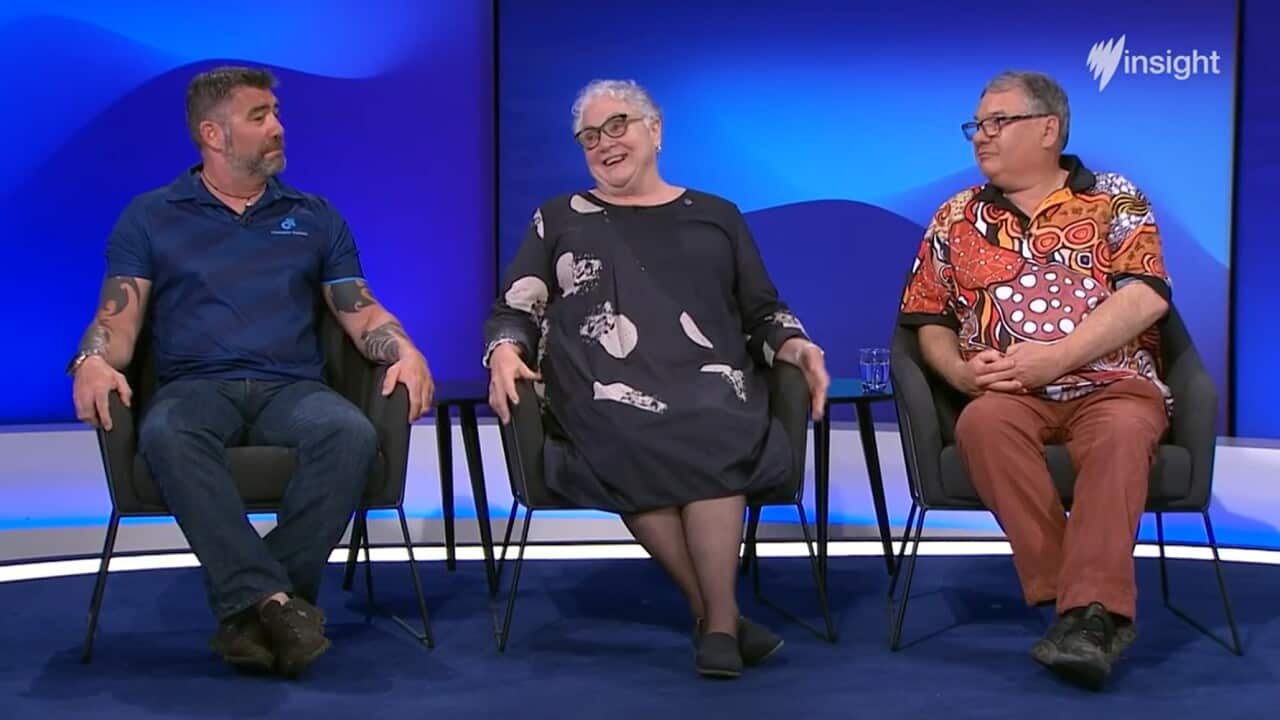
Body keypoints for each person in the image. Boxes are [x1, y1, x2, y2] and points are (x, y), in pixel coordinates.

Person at [68, 66, 434, 678]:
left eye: (275, 114)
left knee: (350, 434)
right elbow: (118, 317)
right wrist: (93, 360)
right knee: (166, 433)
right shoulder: (152, 215)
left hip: (292, 388)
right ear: (213, 134)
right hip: (195, 387)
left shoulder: (313, 215)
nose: (278, 128)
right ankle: (279, 604)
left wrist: (404, 348)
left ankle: (256, 610)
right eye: (259, 116)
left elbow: (358, 307)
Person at [485, 79, 830, 678]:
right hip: (601, 382)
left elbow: (761, 310)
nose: (604, 144)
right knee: (625, 418)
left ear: (656, 130)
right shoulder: (559, 217)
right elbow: (517, 304)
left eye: (617, 125)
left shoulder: (717, 216)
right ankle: (721, 622)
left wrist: (797, 346)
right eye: (589, 137)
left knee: (714, 415)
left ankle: (713, 621)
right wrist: (504, 353)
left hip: (704, 380)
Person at [900, 70, 1171, 690]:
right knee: (983, 425)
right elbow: (926, 321)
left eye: (999, 122)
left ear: (1048, 129)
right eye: (977, 125)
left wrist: (1057, 358)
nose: (981, 137)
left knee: (1125, 430)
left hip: (1109, 384)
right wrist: (963, 374)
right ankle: (1084, 613)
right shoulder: (956, 216)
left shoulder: (1112, 197)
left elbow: (1147, 298)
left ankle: (1085, 612)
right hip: (1006, 394)